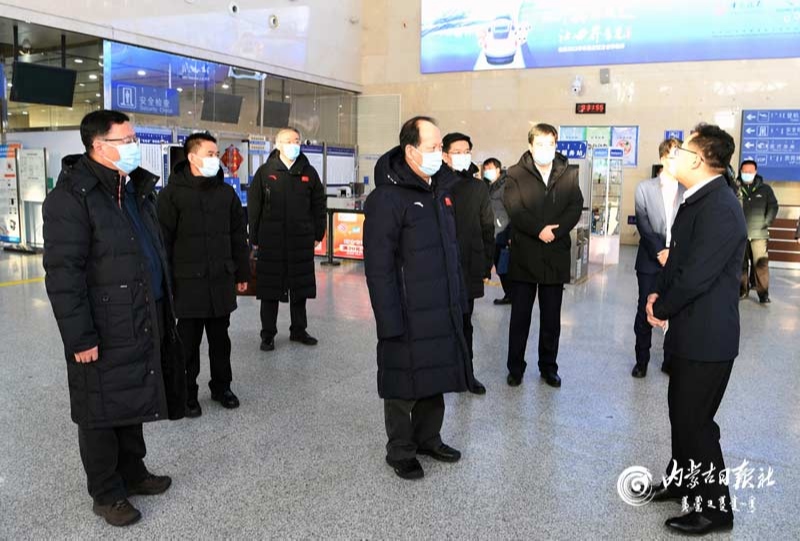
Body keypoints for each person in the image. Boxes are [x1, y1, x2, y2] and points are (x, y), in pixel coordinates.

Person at [42, 110, 184, 527]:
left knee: (132, 394)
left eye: (134, 139)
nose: (134, 146)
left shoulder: (135, 189)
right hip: (101, 324)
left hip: (140, 313)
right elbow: (63, 275)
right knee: (99, 407)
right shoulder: (72, 198)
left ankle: (133, 472)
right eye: (126, 140)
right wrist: (80, 337)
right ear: (98, 146)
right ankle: (106, 492)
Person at [645, 124, 746, 536]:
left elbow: (696, 276)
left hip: (708, 337)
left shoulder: (720, 206)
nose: (675, 156)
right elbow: (678, 261)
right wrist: (657, 294)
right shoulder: (698, 198)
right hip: (688, 331)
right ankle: (681, 481)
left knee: (696, 423)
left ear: (699, 159)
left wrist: (661, 307)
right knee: (680, 414)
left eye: (683, 150)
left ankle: (716, 510)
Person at [364, 116, 469, 480]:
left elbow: (450, 251)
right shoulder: (387, 198)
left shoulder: (440, 192)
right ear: (410, 151)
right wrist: (388, 319)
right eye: (432, 147)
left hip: (440, 306)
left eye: (440, 146)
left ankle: (428, 438)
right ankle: (400, 450)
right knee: (401, 382)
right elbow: (379, 267)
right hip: (407, 310)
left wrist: (457, 301)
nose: (440, 153)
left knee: (435, 375)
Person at [157, 133, 250, 417]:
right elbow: (163, 243)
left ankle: (222, 387)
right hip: (187, 284)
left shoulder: (226, 194)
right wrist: (165, 284)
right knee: (187, 344)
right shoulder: (171, 195)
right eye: (210, 153)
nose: (215, 159)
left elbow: (238, 237)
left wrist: (242, 272)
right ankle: (187, 394)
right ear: (192, 157)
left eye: (216, 153)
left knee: (221, 341)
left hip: (220, 280)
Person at [503, 123, 583, 388]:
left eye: (550, 144)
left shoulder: (568, 173)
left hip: (555, 253)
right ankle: (515, 368)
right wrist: (539, 230)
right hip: (525, 255)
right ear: (530, 146)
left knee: (551, 318)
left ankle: (548, 367)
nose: (545, 149)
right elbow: (515, 208)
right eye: (540, 144)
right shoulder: (515, 173)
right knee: (520, 317)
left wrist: (555, 232)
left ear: (556, 144)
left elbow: (575, 206)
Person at [248, 128, 326, 351]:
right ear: (278, 144)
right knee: (270, 290)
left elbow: (319, 205)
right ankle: (268, 334)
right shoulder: (265, 172)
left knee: (299, 289)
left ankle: (298, 330)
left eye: (297, 140)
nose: (294, 144)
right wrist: (254, 237)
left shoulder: (309, 172)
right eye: (289, 141)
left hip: (301, 241)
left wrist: (318, 233)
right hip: (271, 241)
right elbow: (254, 207)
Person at [442, 132, 494, 395]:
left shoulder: (478, 187)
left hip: (468, 265)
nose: (463, 156)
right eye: (457, 152)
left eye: (466, 151)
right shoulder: (435, 185)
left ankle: (467, 374)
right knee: (438, 323)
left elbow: (487, 227)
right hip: (439, 266)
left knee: (465, 322)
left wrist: (486, 263)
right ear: (444, 155)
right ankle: (438, 374)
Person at [631, 138, 686, 378]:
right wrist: (659, 251)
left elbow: (690, 225)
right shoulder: (644, 188)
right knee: (646, 307)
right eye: (673, 156)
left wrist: (673, 252)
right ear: (663, 158)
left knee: (675, 309)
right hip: (649, 260)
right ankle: (641, 360)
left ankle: (669, 360)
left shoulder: (687, 190)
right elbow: (643, 224)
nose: (677, 161)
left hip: (678, 259)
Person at [737, 160, 779, 303]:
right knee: (741, 265)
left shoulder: (765, 189)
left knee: (760, 265)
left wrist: (766, 222)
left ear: (755, 172)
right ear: (740, 172)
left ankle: (763, 294)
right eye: (745, 171)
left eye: (750, 172)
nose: (747, 174)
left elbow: (773, 206)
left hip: (759, 234)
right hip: (740, 234)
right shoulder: (735, 188)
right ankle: (742, 291)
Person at [482, 157, 512, 304]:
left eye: (490, 168)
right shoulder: (489, 186)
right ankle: (509, 294)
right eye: (485, 169)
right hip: (493, 232)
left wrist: (510, 234)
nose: (487, 171)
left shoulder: (505, 187)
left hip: (503, 232)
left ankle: (511, 295)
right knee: (500, 265)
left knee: (503, 266)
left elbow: (512, 210)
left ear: (498, 170)